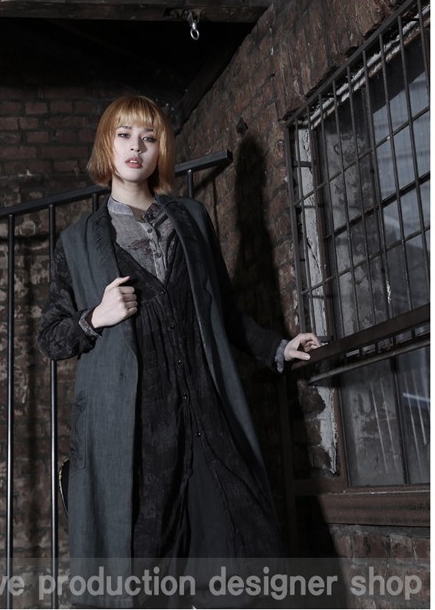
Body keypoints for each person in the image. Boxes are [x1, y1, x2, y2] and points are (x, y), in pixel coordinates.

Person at [38, 95, 321, 609]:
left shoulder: (190, 218)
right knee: (145, 570)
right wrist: (95, 317)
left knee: (243, 549)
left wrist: (279, 348)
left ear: (160, 150)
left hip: (205, 414)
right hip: (137, 433)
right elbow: (52, 337)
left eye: (149, 138)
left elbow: (223, 310)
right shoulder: (77, 243)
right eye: (125, 135)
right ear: (107, 145)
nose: (136, 147)